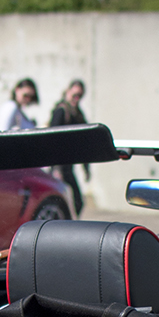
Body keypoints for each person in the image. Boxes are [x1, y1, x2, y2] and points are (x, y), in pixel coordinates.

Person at [46, 78, 90, 215]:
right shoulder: (61, 111)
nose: (77, 99)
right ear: (68, 91)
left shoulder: (77, 114)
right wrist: (56, 168)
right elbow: (52, 139)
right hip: (60, 164)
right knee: (64, 201)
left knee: (76, 202)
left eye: (79, 96)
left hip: (68, 166)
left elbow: (84, 141)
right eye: (75, 95)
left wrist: (86, 168)